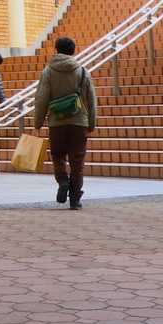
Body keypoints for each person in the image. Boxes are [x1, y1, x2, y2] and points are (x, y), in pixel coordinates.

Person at [32, 36, 98, 209]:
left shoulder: (48, 71)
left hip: (57, 123)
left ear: (56, 50)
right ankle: (75, 199)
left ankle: (62, 181)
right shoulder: (82, 71)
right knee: (77, 162)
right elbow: (91, 100)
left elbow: (41, 99)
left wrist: (37, 123)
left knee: (58, 156)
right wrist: (91, 123)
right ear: (73, 51)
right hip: (79, 122)